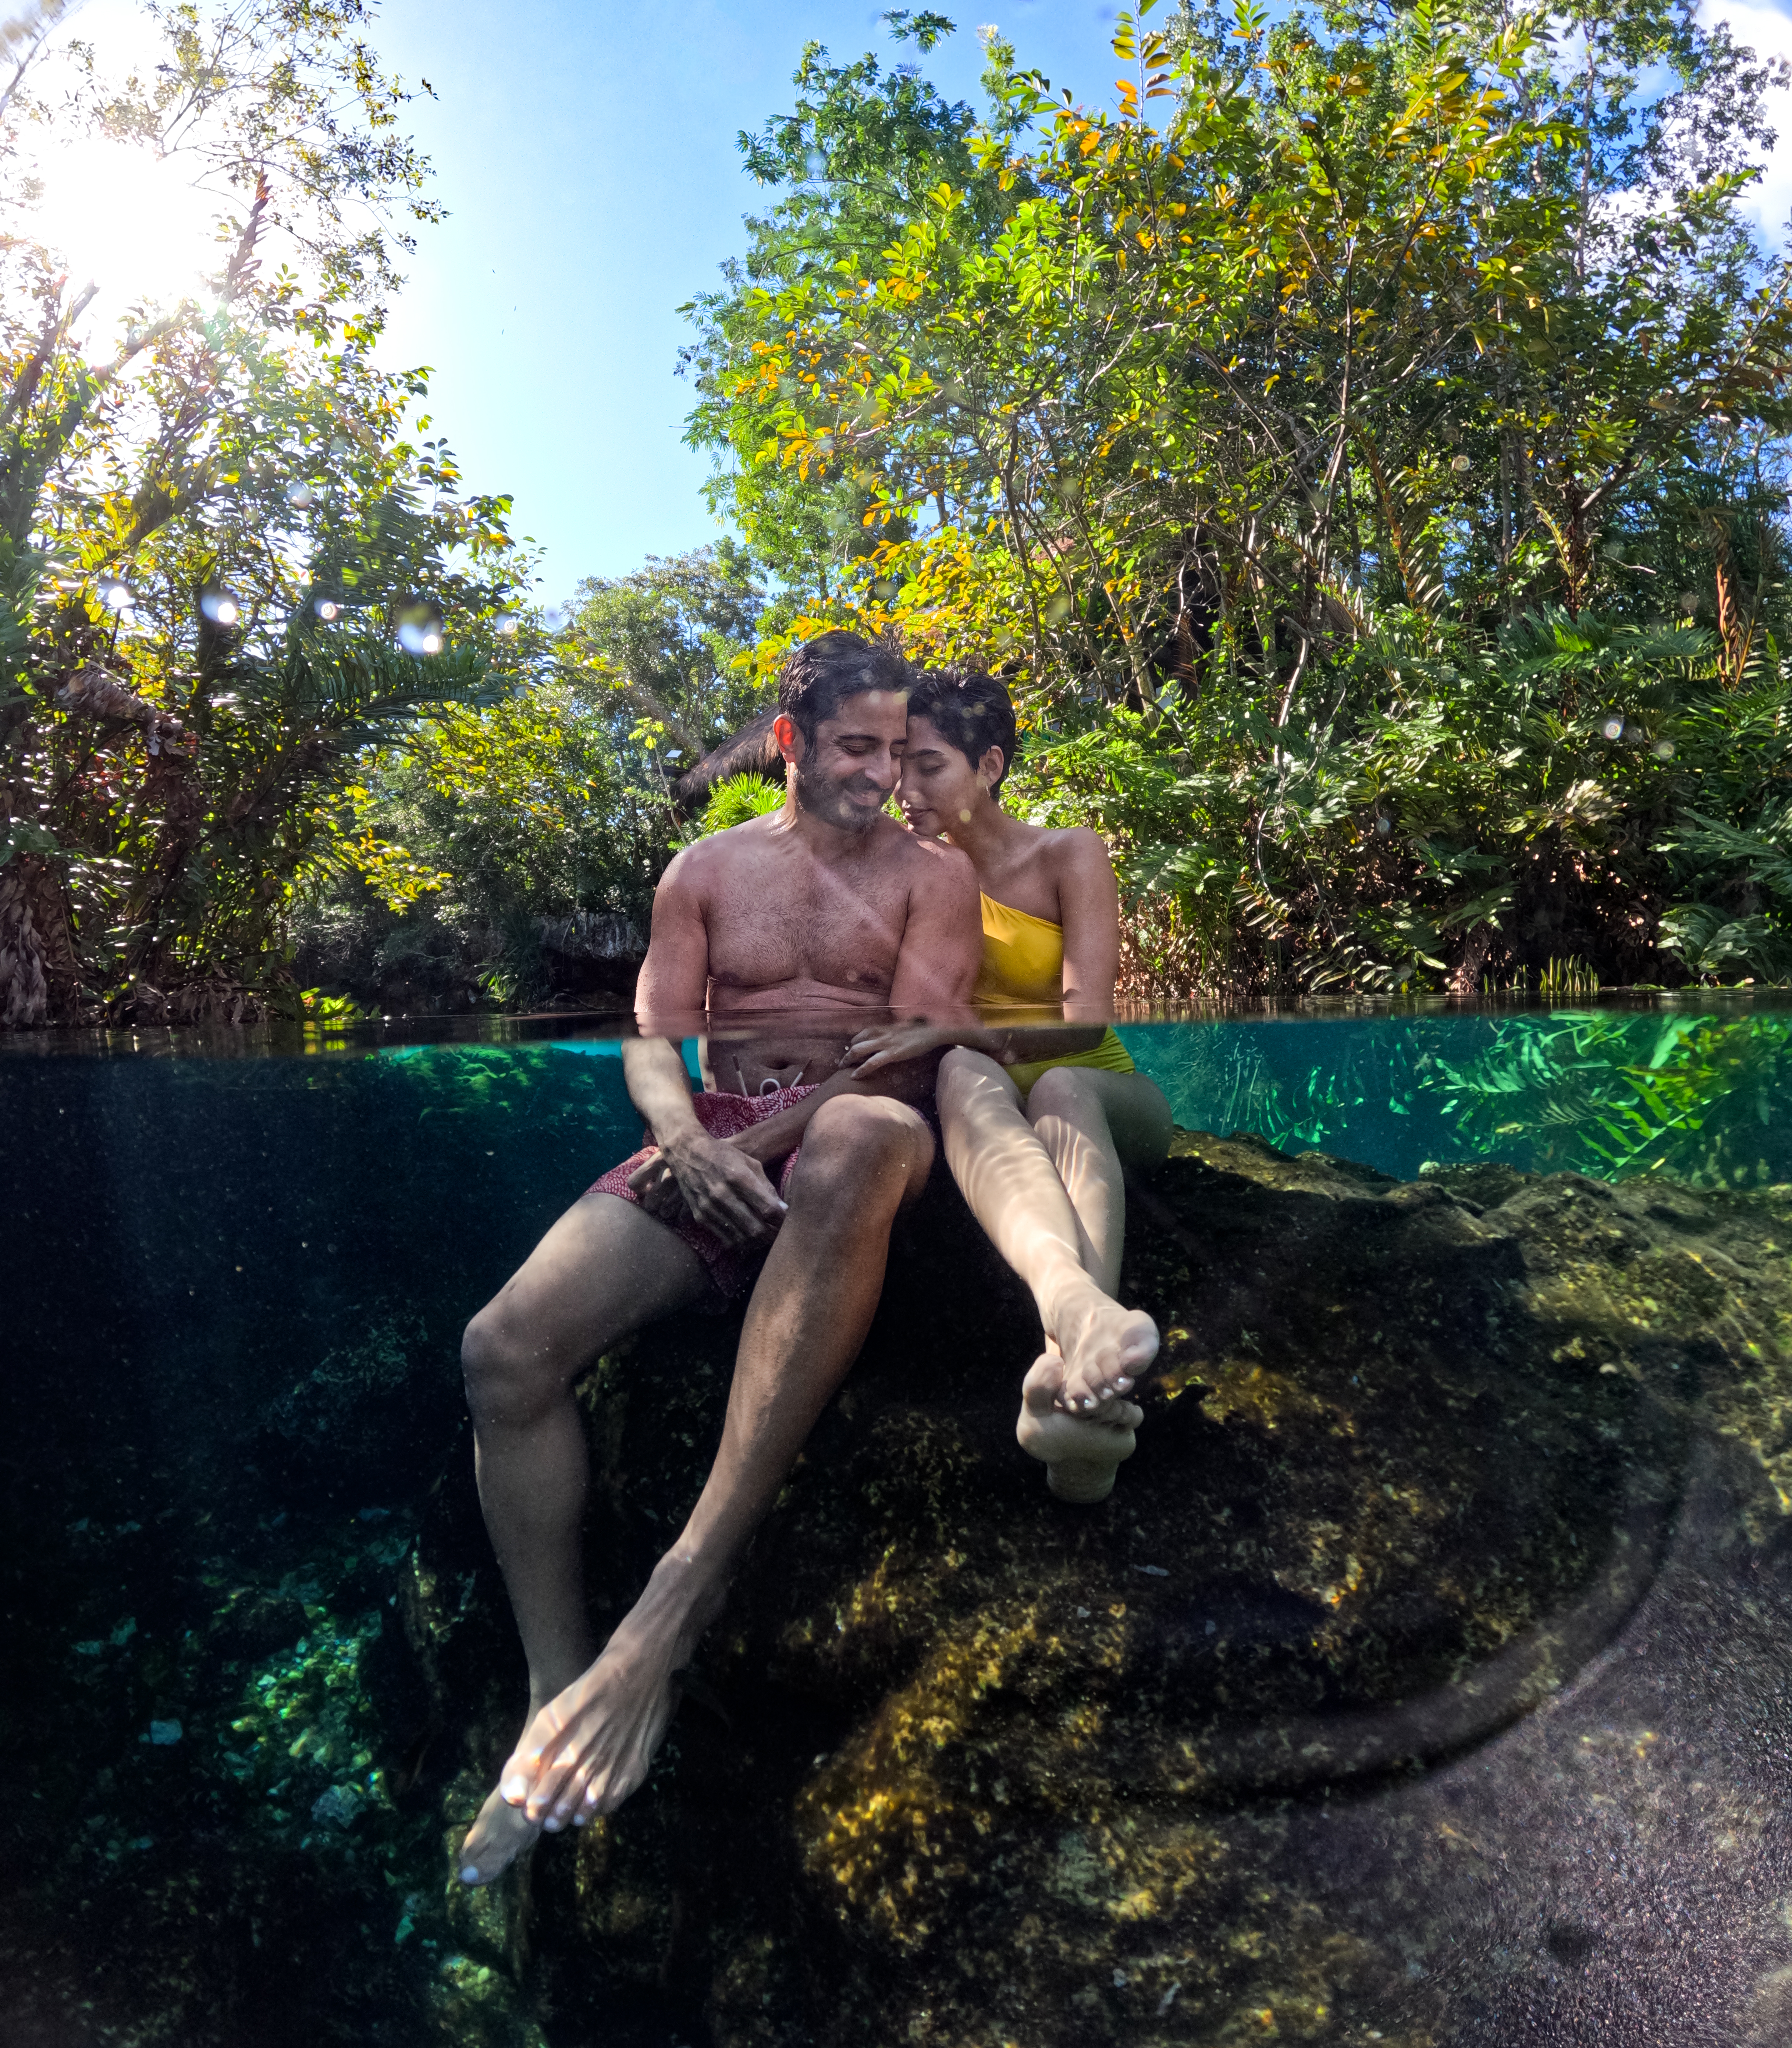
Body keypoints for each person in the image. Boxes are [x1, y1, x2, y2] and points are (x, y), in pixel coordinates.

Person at [454, 632, 982, 1886]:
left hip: (854, 1131)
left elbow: (909, 1054)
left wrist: (769, 1139)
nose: (882, 770)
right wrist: (687, 1139)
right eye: (858, 745)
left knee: (858, 1130)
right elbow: (652, 1041)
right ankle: (555, 1681)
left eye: (898, 747)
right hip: (716, 1138)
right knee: (499, 1347)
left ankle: (676, 1599)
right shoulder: (702, 871)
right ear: (792, 742)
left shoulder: (935, 877)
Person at [845, 666, 1172, 1505]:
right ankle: (1083, 1377)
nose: (902, 786)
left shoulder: (1067, 851)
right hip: (986, 1104)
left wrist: (956, 1028)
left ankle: (1069, 1348)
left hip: (1101, 1091)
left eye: (927, 764)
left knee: (1059, 1082)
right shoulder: (912, 873)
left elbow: (1087, 1025)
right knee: (959, 1067)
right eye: (894, 764)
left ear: (988, 766)